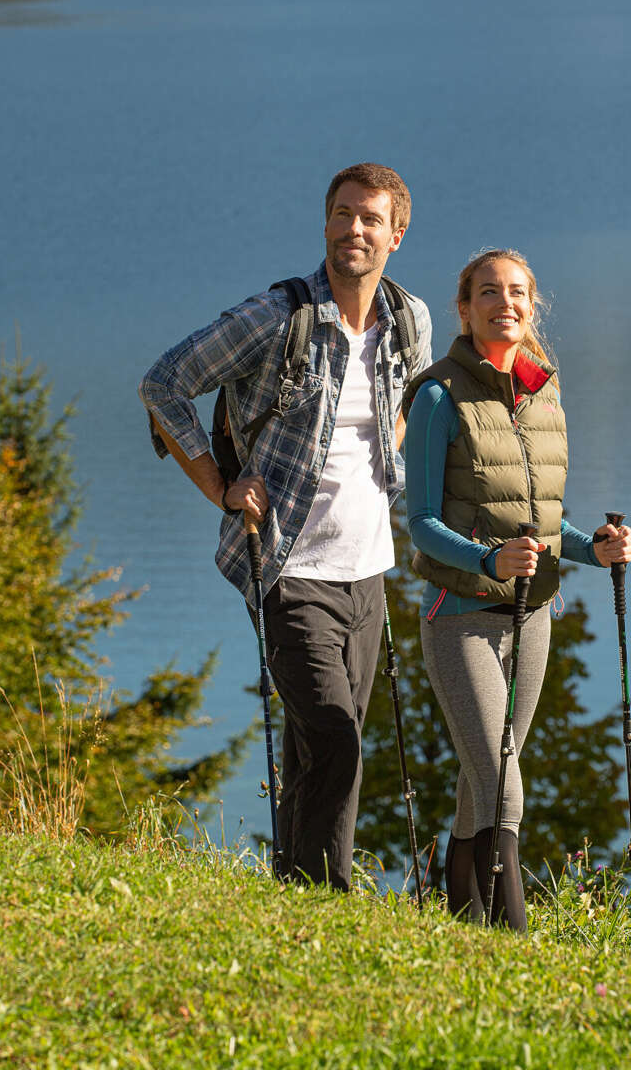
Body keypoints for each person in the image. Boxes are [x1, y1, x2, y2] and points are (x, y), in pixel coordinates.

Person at [140, 163, 432, 890]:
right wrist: (220, 486)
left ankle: (291, 895)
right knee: (338, 738)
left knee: (316, 750)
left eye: (370, 218)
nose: (353, 230)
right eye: (342, 214)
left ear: (398, 233)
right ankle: (328, 899)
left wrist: (387, 468)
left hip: (368, 574)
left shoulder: (410, 319)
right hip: (287, 569)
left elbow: (411, 405)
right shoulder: (276, 318)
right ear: (325, 223)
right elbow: (163, 382)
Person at [401, 249, 631, 930]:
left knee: (484, 782)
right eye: (488, 292)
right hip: (461, 619)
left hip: (534, 617)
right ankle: (515, 937)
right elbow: (420, 525)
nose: (505, 303)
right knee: (504, 781)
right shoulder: (439, 395)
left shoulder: (544, 394)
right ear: (465, 308)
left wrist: (595, 549)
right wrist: (486, 560)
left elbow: (544, 528)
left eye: (518, 292)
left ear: (533, 305)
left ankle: (461, 923)